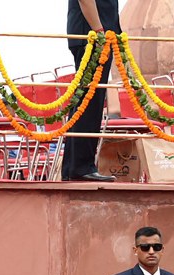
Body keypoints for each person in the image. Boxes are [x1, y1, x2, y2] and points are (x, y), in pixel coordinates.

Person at [61, 0, 120, 182]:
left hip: (96, 34)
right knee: (89, 102)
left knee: (85, 101)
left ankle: (73, 167)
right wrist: (99, 30)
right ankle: (81, 166)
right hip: (93, 36)